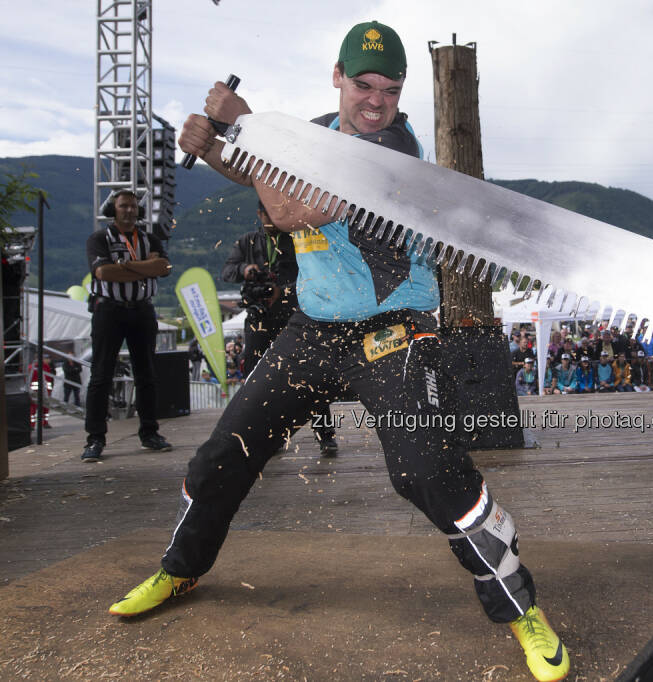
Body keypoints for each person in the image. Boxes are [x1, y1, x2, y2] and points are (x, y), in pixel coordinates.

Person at [109, 21, 568, 682]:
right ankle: (180, 570)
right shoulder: (314, 131)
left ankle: (517, 601)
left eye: (390, 87)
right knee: (226, 450)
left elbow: (294, 210)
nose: (376, 99)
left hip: (392, 328)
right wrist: (210, 144)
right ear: (337, 77)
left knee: (424, 468)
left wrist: (243, 124)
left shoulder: (394, 150)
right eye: (364, 84)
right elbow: (256, 178)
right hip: (314, 326)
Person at [222, 202, 340, 455]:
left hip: (293, 316)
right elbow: (227, 271)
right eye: (269, 214)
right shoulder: (247, 242)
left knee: (310, 374)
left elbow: (313, 275)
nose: (274, 219)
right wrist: (246, 269)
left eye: (278, 214)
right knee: (256, 377)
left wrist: (283, 290)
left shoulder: (297, 239)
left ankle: (325, 433)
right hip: (258, 315)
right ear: (260, 214)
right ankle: (264, 436)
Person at [81, 190, 173, 462]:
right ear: (114, 209)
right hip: (109, 309)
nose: (130, 211)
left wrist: (126, 265)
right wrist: (146, 266)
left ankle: (150, 433)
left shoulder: (149, 237)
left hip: (142, 310)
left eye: (133, 206)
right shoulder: (99, 238)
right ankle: (95, 438)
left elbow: (164, 268)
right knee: (101, 375)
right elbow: (103, 272)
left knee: (146, 374)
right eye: (124, 206)